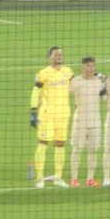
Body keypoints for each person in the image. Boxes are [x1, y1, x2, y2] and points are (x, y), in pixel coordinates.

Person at [29, 46, 74, 188]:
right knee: (43, 143)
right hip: (47, 114)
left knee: (60, 144)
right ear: (50, 57)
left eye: (60, 54)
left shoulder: (68, 72)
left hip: (63, 114)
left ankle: (58, 177)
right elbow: (36, 91)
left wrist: (96, 76)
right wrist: (33, 111)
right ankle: (39, 178)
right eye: (55, 55)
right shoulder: (43, 73)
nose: (59, 57)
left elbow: (76, 84)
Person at [67, 56, 105, 187]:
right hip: (80, 121)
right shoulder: (75, 81)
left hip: (95, 121)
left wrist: (106, 83)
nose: (91, 69)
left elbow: (105, 98)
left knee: (93, 150)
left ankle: (90, 179)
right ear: (83, 66)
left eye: (93, 66)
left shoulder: (99, 82)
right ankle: (74, 179)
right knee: (77, 150)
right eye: (88, 66)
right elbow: (64, 94)